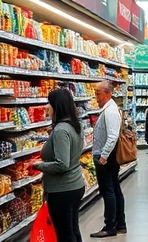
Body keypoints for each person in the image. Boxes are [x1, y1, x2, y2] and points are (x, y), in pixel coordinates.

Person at [33, 89, 86, 242]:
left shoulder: (61, 130)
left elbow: (62, 164)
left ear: (57, 105)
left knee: (64, 234)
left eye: (49, 103)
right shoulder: (75, 125)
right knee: (73, 230)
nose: (46, 107)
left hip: (62, 190)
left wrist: (39, 165)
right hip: (75, 185)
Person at [90, 81, 126, 238]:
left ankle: (110, 226)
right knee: (115, 189)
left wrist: (103, 156)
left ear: (108, 93)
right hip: (108, 155)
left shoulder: (110, 111)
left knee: (108, 191)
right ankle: (120, 224)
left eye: (98, 93)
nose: (96, 96)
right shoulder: (108, 109)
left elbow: (112, 136)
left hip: (106, 157)